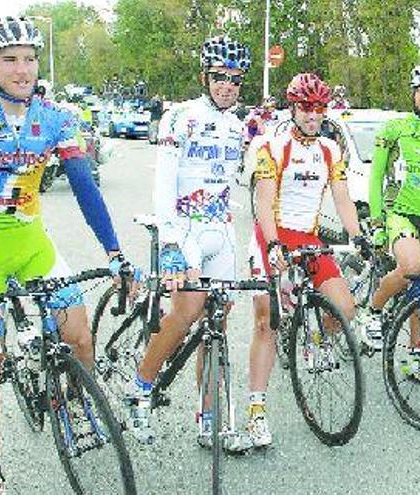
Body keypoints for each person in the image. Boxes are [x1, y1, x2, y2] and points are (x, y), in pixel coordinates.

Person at [0, 17, 135, 494]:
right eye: (10, 60)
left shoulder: (58, 117)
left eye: (29, 58)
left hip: (33, 246)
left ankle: (75, 400)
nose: (23, 69)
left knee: (79, 336)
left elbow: (85, 187)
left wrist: (114, 251)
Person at [122, 35, 254, 447]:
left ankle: (209, 417)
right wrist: (173, 242)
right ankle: (140, 389)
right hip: (184, 229)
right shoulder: (180, 117)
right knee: (186, 312)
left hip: (220, 230)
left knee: (219, 320)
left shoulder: (239, 127)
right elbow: (164, 185)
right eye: (219, 77)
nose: (227, 86)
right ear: (205, 76)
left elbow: (235, 183)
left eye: (234, 79)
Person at [246, 72, 369, 447]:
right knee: (266, 321)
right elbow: (263, 201)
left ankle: (309, 331)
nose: (313, 115)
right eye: (306, 107)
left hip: (309, 238)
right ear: (293, 107)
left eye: (319, 108)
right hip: (273, 235)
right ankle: (256, 410)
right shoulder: (273, 145)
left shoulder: (330, 150)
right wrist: (272, 245)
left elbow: (343, 198)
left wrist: (358, 235)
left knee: (345, 308)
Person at [356, 62, 420, 356]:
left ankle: (415, 354)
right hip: (401, 215)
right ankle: (372, 311)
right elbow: (376, 177)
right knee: (412, 268)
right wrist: (376, 224)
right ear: (413, 93)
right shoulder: (394, 128)